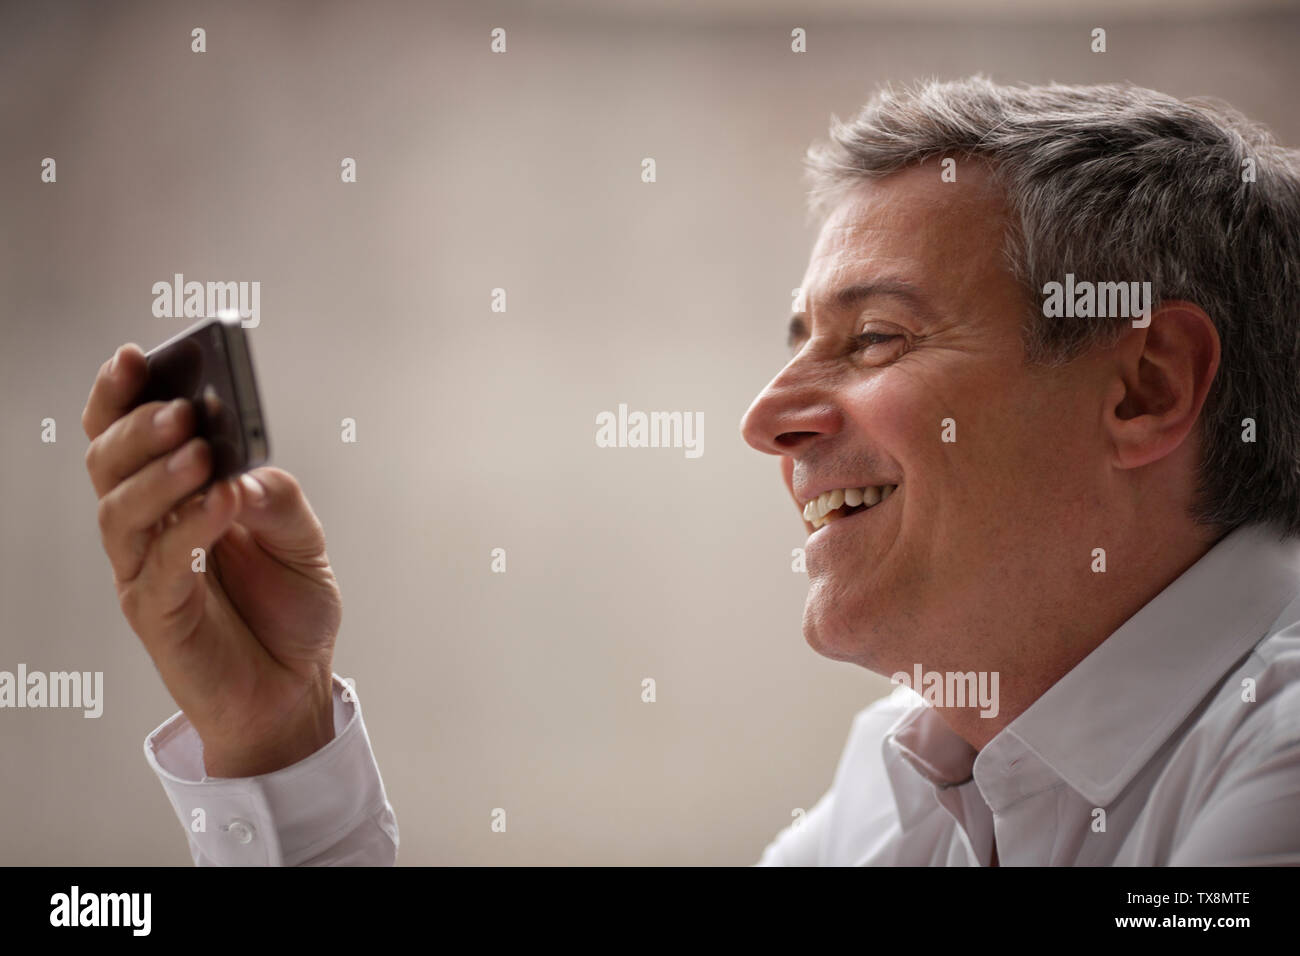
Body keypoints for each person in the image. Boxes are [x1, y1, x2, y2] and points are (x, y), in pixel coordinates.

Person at [82, 77, 1300, 865]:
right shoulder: (912, 774)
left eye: (872, 337)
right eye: (797, 344)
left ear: (1142, 387)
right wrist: (275, 738)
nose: (765, 418)